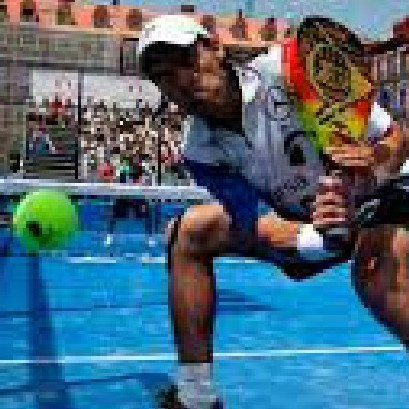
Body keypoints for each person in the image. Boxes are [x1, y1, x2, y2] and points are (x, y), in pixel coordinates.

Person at [136, 14, 408, 409]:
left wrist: (373, 167)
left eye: (186, 59)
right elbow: (259, 222)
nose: (179, 78)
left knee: (376, 273)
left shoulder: (288, 70)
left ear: (216, 48)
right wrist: (322, 236)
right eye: (162, 75)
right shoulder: (199, 151)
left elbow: (395, 139)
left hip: (383, 194)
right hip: (310, 221)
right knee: (187, 233)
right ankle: (196, 396)